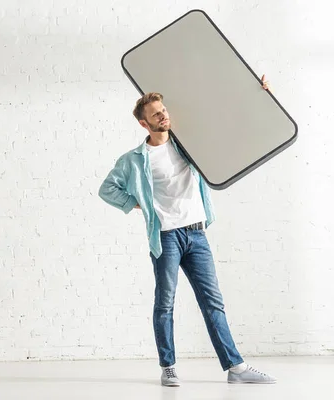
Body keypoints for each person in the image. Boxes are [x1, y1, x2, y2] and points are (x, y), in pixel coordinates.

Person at [97, 76, 277, 386]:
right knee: (165, 303)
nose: (163, 115)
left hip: (196, 234)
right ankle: (168, 367)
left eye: (163, 110)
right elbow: (107, 189)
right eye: (156, 114)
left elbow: (226, 126)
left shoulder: (187, 144)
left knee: (213, 302)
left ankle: (236, 367)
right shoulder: (136, 160)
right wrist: (136, 203)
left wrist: (257, 95)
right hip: (166, 236)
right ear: (144, 124)